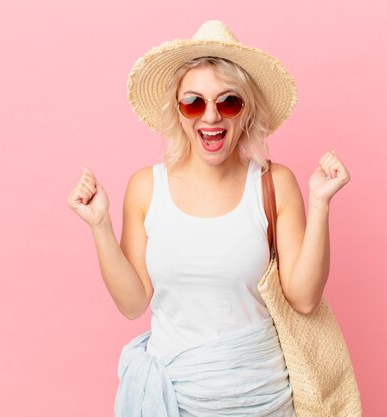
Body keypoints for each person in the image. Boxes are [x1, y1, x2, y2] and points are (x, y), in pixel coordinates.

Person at [67, 20, 351, 416]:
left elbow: (304, 299)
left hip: (263, 400)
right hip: (176, 402)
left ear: (246, 110)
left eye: (228, 101)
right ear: (178, 111)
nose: (211, 116)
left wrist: (320, 203)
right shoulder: (146, 188)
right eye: (194, 102)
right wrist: (100, 225)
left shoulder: (274, 183)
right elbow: (133, 304)